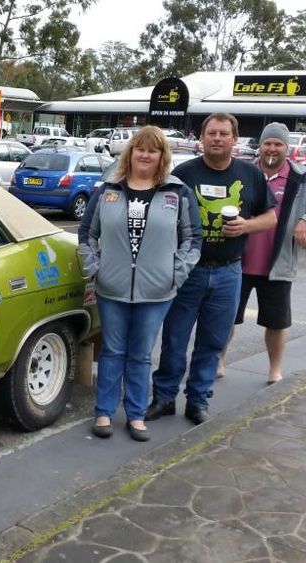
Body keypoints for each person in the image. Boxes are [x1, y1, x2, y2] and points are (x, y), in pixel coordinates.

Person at [147, 112, 277, 425]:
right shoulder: (184, 173)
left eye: (223, 133)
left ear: (235, 139)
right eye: (211, 133)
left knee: (213, 340)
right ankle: (164, 397)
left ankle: (198, 401)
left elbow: (271, 216)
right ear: (202, 138)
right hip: (187, 271)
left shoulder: (250, 174)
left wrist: (246, 226)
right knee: (175, 338)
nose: (217, 138)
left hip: (228, 271)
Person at [78, 126, 202, 441]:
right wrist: (95, 269)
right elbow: (87, 233)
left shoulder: (177, 192)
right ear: (130, 152)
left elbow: (192, 239)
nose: (145, 155)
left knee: (141, 354)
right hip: (111, 288)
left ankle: (135, 415)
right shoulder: (108, 189)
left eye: (153, 150)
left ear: (162, 156)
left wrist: (175, 274)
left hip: (157, 292)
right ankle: (104, 412)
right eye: (140, 149)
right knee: (112, 351)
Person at [217, 123, 306, 384]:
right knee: (226, 318)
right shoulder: (244, 172)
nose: (272, 149)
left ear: (287, 148)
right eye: (267, 143)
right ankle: (219, 360)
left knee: (276, 323)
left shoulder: (302, 177)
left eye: (278, 144)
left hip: (278, 264)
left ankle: (274, 369)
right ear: (260, 146)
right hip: (236, 261)